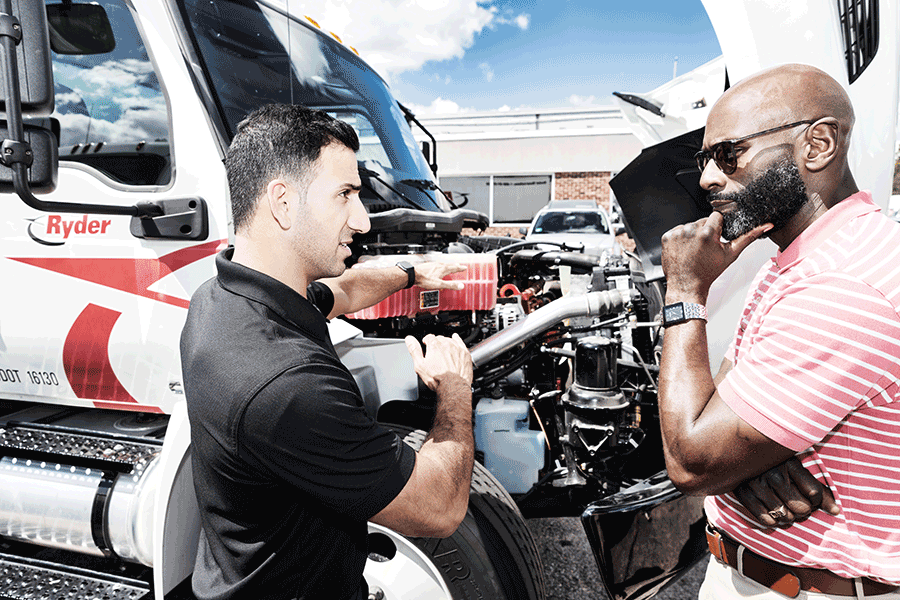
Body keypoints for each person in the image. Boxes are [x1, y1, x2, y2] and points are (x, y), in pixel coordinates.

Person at [180, 103, 475, 600]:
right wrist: (455, 388)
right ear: (283, 202)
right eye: (345, 194)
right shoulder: (288, 383)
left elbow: (345, 290)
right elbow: (439, 507)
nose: (362, 220)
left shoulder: (221, 299)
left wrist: (411, 273)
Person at [657, 63, 900, 599]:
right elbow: (720, 412)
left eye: (729, 155)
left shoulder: (843, 284)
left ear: (817, 145)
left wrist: (684, 291)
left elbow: (692, 458)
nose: (707, 178)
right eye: (705, 160)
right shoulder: (802, 261)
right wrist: (745, 466)